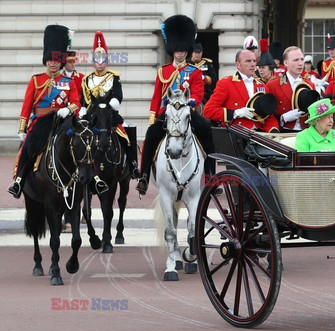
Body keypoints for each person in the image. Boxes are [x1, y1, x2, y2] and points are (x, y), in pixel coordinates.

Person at [136, 15, 215, 196]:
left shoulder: (193, 71)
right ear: (172, 50)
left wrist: (192, 103)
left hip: (187, 111)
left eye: (182, 50)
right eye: (177, 50)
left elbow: (198, 92)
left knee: (206, 130)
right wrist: (153, 116)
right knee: (151, 136)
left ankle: (210, 176)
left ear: (187, 50)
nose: (180, 53)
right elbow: (157, 95)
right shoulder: (163, 71)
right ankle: (144, 176)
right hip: (167, 113)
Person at [8, 25, 81, 198]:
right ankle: (19, 180)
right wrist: (22, 128)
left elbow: (76, 103)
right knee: (27, 147)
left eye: (56, 60)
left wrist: (67, 110)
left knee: (81, 144)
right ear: (46, 60)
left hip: (61, 121)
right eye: (50, 60)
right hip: (40, 121)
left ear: (61, 61)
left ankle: (91, 179)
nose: (53, 63)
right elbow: (26, 106)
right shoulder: (36, 80)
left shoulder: (68, 82)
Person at [80, 31, 139, 186]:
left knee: (127, 133)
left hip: (110, 116)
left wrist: (113, 101)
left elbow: (119, 95)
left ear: (107, 61)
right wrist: (82, 110)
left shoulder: (113, 77)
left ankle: (133, 165)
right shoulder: (86, 80)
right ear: (93, 62)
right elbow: (83, 100)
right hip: (93, 117)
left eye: (103, 60)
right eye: (97, 60)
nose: (100, 63)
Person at [203, 49, 279, 132]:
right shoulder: (226, 83)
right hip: (236, 135)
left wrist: (273, 131)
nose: (253, 64)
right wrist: (235, 113)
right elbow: (208, 110)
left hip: (259, 135)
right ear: (238, 64)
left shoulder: (262, 86)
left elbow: (269, 116)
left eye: (254, 61)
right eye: (248, 61)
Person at [266, 46, 316, 131]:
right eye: (296, 60)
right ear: (286, 63)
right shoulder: (273, 85)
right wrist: (283, 118)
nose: (300, 63)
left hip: (306, 132)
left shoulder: (309, 84)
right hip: (284, 132)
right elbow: (267, 116)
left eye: (302, 59)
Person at [189, 41, 217, 106]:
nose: (197, 54)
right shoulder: (186, 63)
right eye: (195, 52)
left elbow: (214, 79)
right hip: (188, 91)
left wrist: (204, 78)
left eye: (199, 53)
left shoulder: (207, 64)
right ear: (192, 53)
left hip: (204, 91)